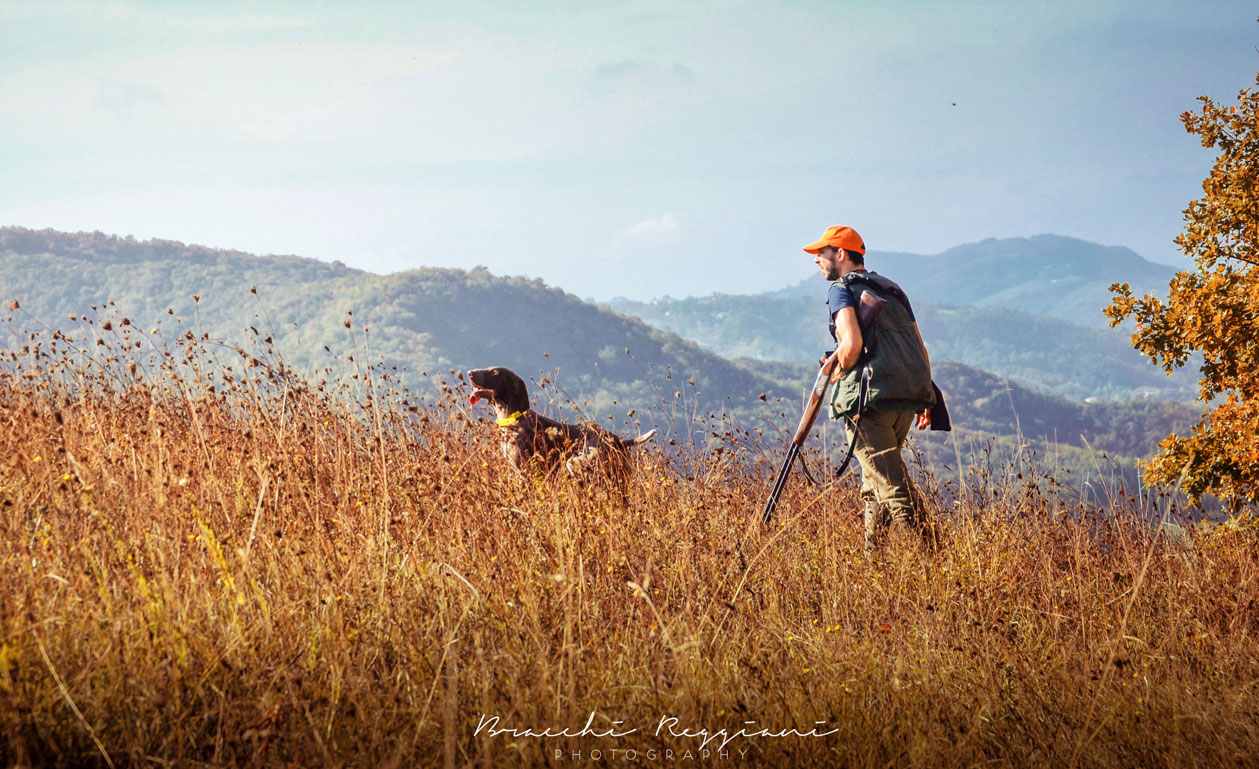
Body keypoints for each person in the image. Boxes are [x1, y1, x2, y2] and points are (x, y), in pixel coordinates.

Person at [802, 225, 936, 551]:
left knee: (891, 484)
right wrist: (926, 397)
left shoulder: (840, 290)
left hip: (868, 401)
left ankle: (939, 563)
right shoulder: (891, 288)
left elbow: (851, 344)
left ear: (841, 254)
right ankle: (872, 561)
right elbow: (918, 344)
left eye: (822, 253)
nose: (817, 260)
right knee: (874, 483)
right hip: (905, 397)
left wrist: (836, 371)